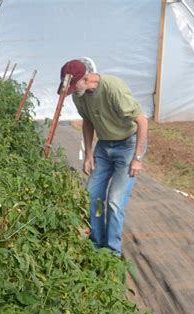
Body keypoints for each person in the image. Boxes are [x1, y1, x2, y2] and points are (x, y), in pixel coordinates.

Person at [58, 59, 148, 257]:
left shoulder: (113, 88)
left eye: (74, 86)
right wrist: (88, 154)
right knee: (92, 196)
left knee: (115, 201)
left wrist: (138, 158)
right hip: (104, 146)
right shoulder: (80, 96)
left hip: (128, 145)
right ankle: (96, 244)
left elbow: (142, 121)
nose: (72, 91)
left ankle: (113, 252)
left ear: (86, 78)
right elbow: (88, 122)